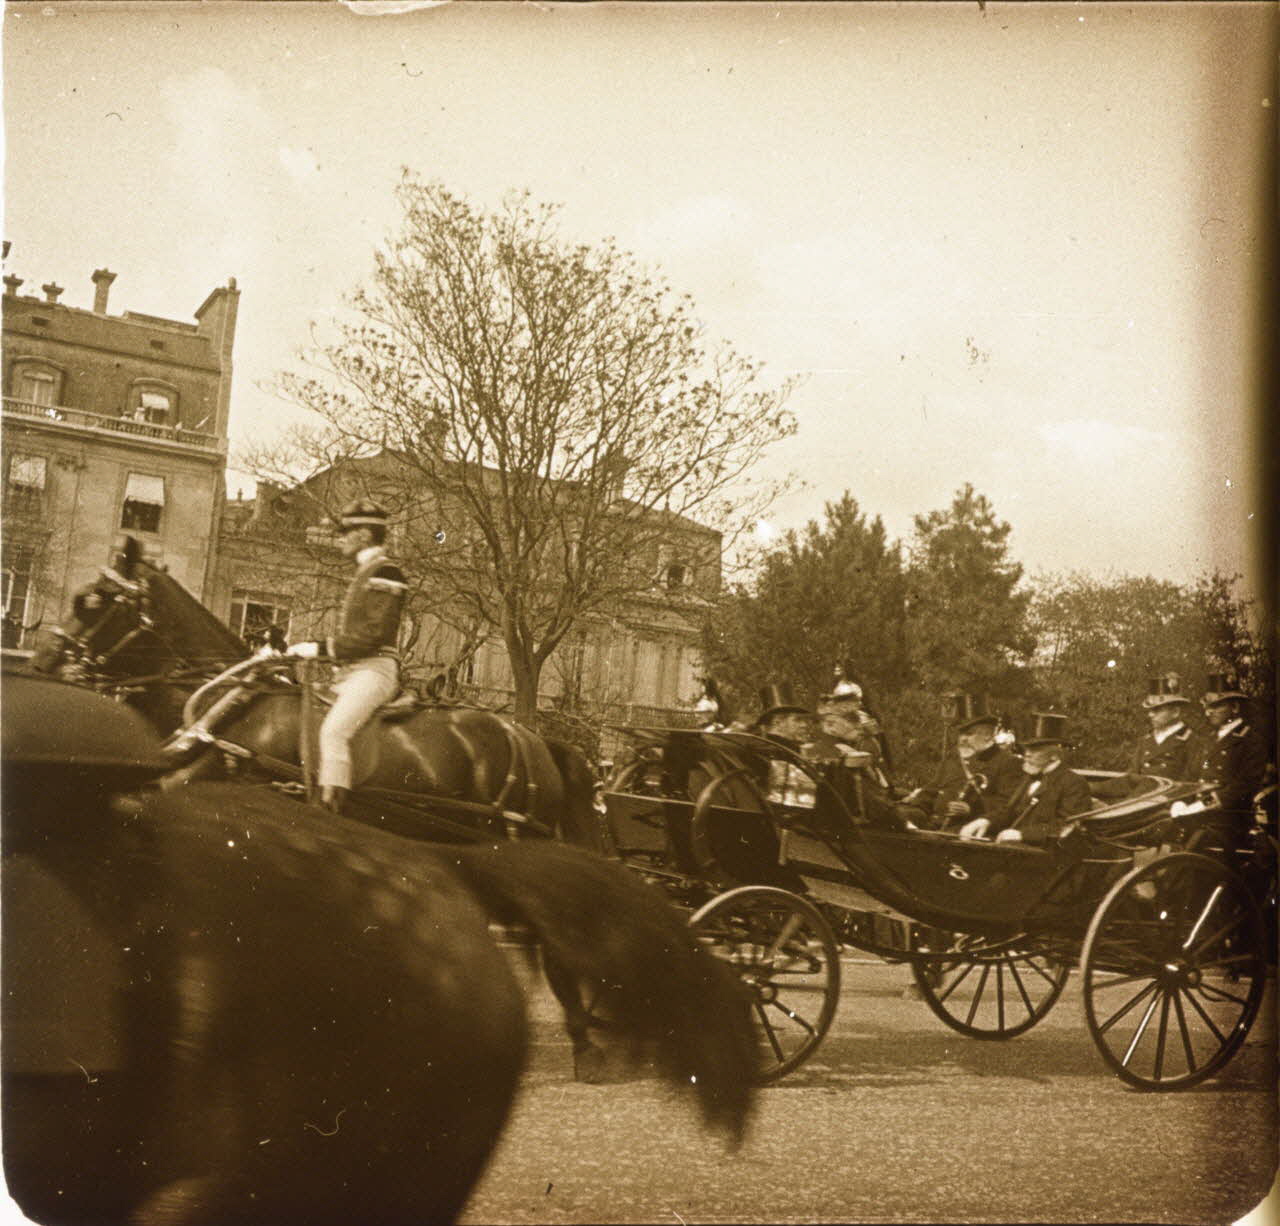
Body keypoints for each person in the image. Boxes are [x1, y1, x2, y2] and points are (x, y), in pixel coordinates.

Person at [287, 500, 408, 814]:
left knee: (334, 731)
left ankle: (330, 811)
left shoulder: (386, 572)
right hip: (352, 672)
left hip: (374, 671)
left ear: (366, 534)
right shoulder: (365, 572)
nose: (339, 538)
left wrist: (321, 648)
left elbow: (374, 634)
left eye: (346, 532)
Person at [960, 712, 1092, 845]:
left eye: (1035, 749)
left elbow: (1067, 826)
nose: (1027, 754)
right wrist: (986, 821)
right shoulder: (1028, 778)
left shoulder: (1073, 783)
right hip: (1018, 850)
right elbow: (1009, 811)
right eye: (1026, 748)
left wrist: (1023, 834)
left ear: (1055, 756)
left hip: (1048, 855)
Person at [905, 693, 1024, 830]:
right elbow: (931, 791)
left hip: (969, 830)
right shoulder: (952, 759)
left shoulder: (1008, 763)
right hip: (936, 826)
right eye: (960, 734)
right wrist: (915, 811)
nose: (962, 739)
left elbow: (1008, 806)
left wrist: (971, 809)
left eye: (969, 734)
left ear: (987, 735)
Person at [1183, 674, 1272, 842]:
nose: (1208, 711)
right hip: (1196, 815)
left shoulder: (1250, 740)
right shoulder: (1206, 737)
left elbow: (1245, 785)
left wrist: (1204, 804)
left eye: (1216, 706)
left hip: (1229, 820)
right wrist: (1180, 802)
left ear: (1235, 707)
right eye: (1208, 706)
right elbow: (1191, 773)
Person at [1093, 673, 1200, 801]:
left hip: (1164, 805)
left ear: (1175, 712)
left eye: (1157, 709)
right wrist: (1091, 788)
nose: (1150, 714)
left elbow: (1189, 785)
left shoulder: (1191, 741)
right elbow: (1131, 779)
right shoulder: (1146, 740)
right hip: (1137, 801)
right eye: (1150, 710)